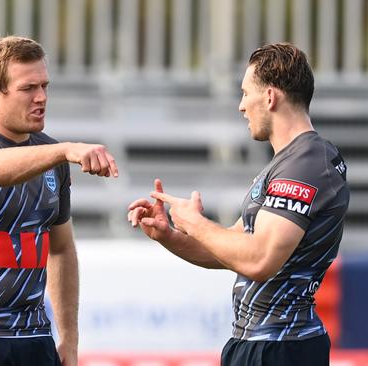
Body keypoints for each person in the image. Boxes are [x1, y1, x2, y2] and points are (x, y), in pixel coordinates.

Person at [128, 43, 349, 366]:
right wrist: (170, 234)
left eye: (246, 93)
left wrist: (197, 224)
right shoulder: (288, 163)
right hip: (258, 343)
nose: (241, 106)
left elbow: (259, 260)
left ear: (271, 97)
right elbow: (233, 250)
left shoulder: (307, 164)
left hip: (281, 347)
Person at [0, 36, 118, 366]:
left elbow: (61, 248)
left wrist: (68, 338)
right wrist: (64, 150)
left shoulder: (50, 157)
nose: (41, 97)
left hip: (33, 338)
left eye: (44, 86)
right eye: (28, 88)